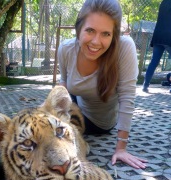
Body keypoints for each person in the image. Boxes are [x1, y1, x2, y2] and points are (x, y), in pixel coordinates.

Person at [58, 0, 147, 169]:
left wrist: (121, 148)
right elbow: (63, 87)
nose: (96, 42)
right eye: (90, 30)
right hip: (76, 104)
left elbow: (127, 97)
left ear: (113, 35)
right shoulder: (66, 49)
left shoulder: (124, 48)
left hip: (98, 121)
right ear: (79, 29)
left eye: (106, 34)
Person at [142, 0, 171, 93]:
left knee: (154, 61)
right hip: (169, 36)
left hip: (158, 35)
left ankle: (145, 85)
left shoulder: (163, 2)